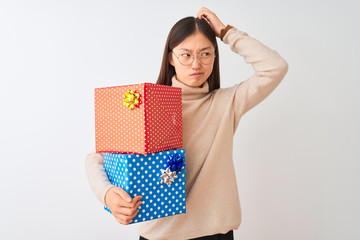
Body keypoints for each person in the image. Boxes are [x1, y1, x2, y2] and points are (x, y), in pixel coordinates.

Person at [85, 7, 288, 240]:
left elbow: (275, 67)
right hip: (159, 235)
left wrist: (226, 32)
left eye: (205, 54)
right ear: (171, 57)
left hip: (216, 234)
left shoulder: (227, 103)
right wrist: (107, 194)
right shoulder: (147, 104)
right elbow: (96, 157)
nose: (196, 64)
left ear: (215, 56)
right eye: (186, 54)